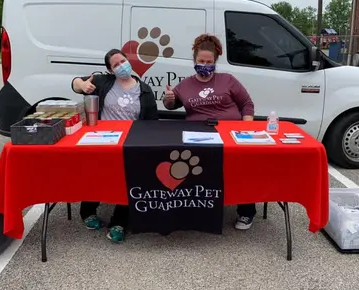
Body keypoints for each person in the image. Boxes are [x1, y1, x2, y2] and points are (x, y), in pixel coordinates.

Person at [163, 34, 257, 230]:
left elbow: (247, 104)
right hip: (197, 136)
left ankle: (246, 211)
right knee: (195, 171)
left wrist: (246, 128)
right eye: (201, 61)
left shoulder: (228, 80)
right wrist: (169, 98)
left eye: (209, 62)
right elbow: (171, 105)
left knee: (241, 170)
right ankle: (199, 207)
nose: (204, 65)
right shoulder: (186, 85)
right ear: (194, 60)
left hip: (230, 134)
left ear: (215, 62)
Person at [71, 48, 158, 242]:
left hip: (130, 142)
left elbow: (152, 121)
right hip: (103, 139)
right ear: (110, 70)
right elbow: (75, 83)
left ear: (128, 60)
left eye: (122, 61)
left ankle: (119, 221)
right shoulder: (103, 82)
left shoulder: (144, 90)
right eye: (115, 65)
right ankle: (88, 211)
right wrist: (83, 85)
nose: (121, 66)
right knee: (96, 175)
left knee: (129, 179)